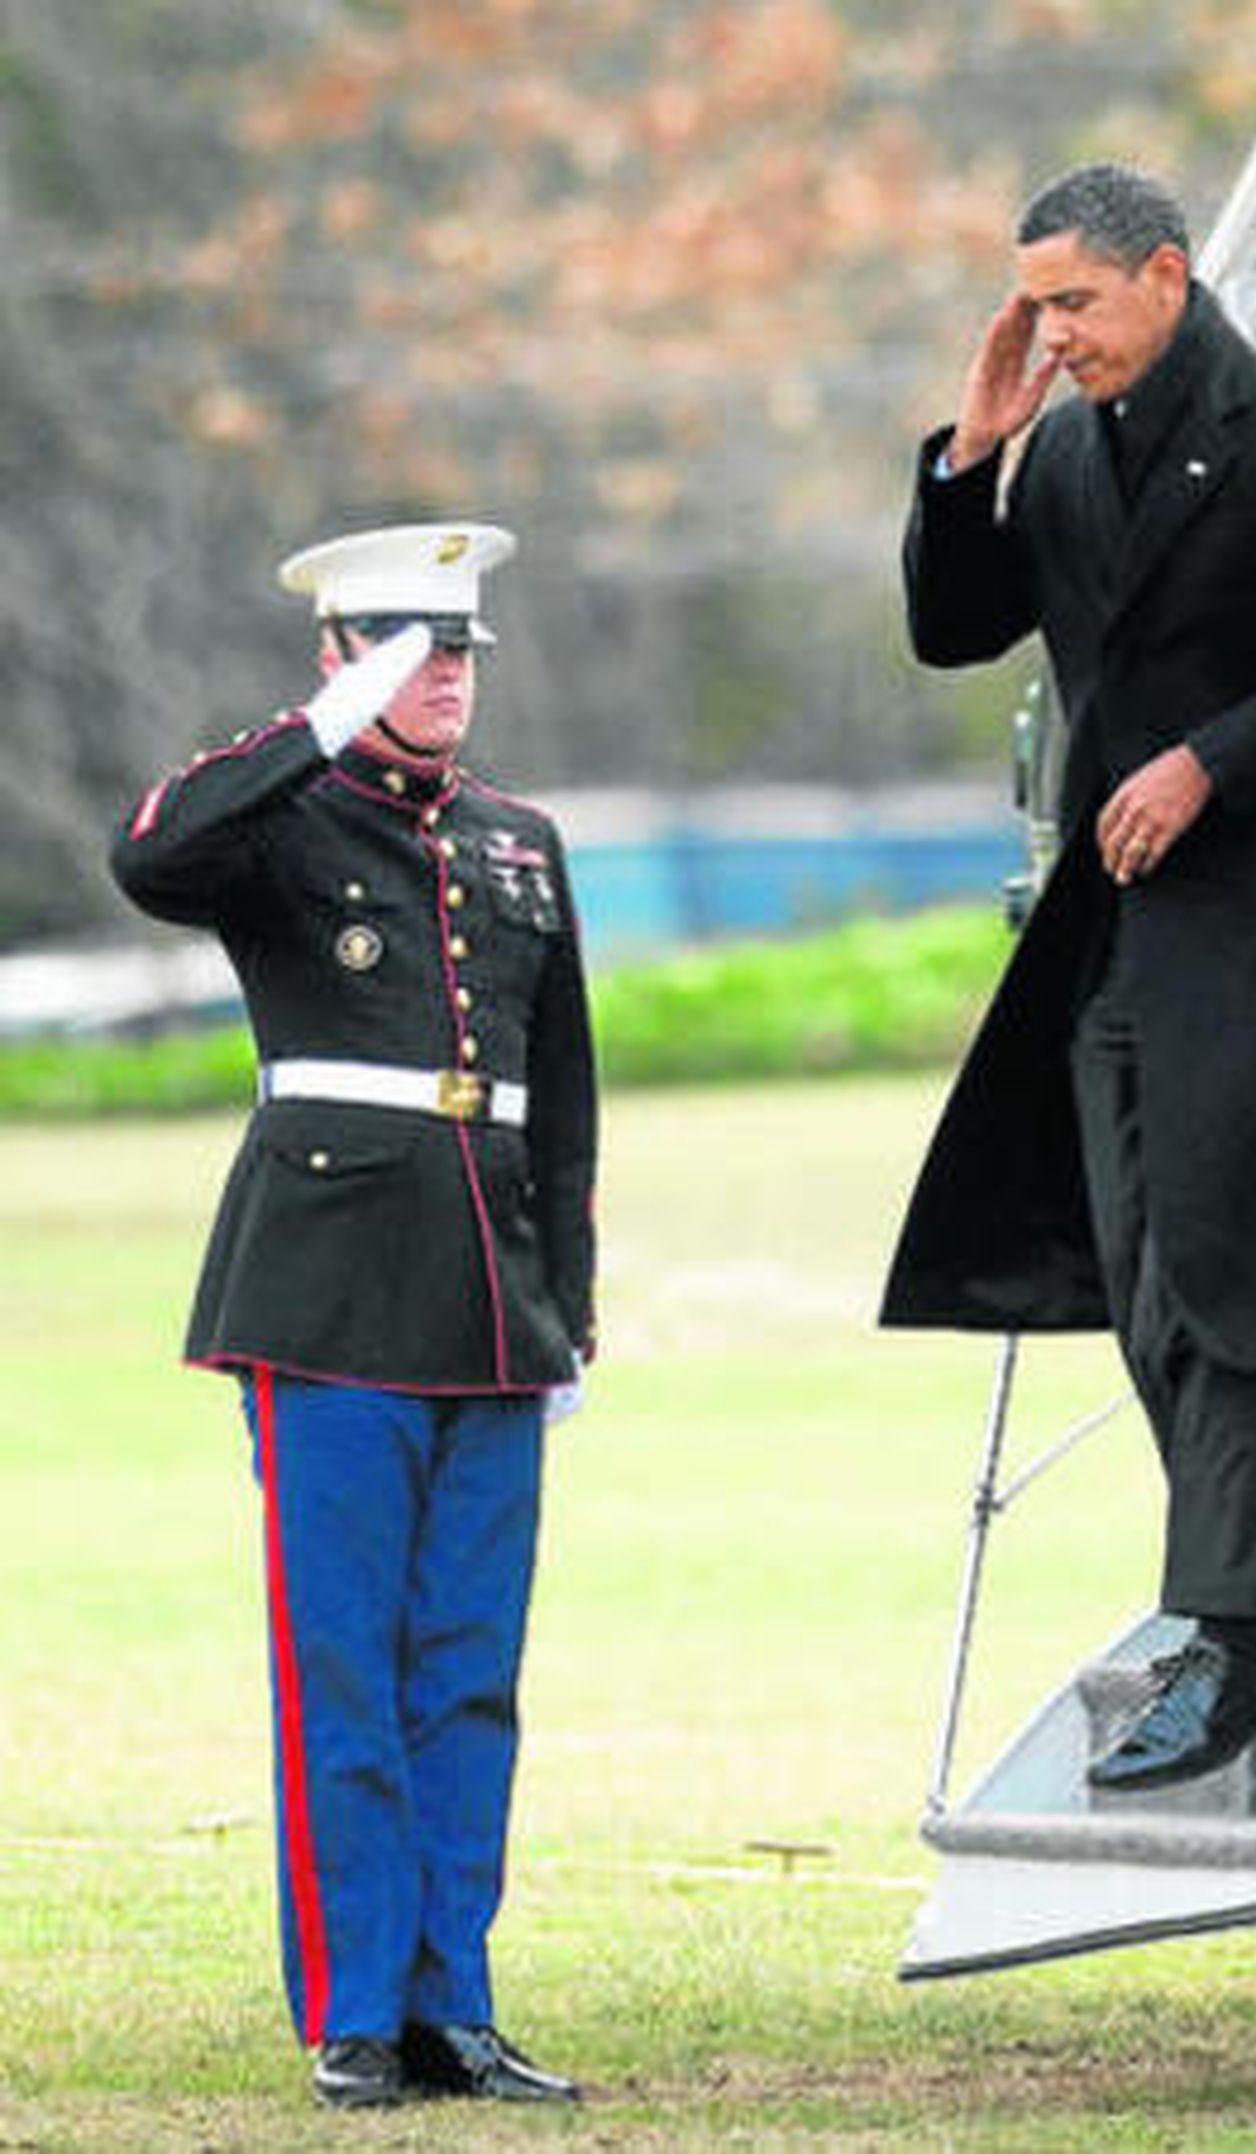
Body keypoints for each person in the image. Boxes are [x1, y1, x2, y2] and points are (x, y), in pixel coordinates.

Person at [880, 165, 1256, 1792]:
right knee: (1145, 1292)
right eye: (1035, 308)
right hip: (1120, 939)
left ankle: (1240, 1640)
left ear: (1168, 278)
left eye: (1076, 303)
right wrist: (971, 455)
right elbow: (952, 631)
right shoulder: (1060, 447)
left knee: (1220, 1283)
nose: (1054, 334)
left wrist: (1211, 759)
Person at [110, 523, 596, 2107]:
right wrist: (316, 723)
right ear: (341, 660)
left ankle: (455, 2003)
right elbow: (152, 852)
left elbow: (560, 1104)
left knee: (469, 1667)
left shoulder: (520, 839)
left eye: (458, 649)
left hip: (490, 1303)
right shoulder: (278, 817)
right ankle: (356, 2006)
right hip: (324, 1300)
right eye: (406, 648)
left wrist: (566, 1314)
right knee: (346, 1665)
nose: (444, 676)